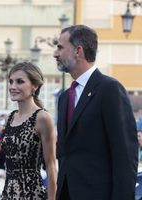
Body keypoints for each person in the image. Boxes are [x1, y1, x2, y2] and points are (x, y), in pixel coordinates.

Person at [53, 25, 138, 200]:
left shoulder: (109, 89)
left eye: (60, 47)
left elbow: (124, 154)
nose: (55, 54)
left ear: (78, 50)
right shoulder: (64, 98)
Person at [1, 62, 57, 200]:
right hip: (8, 195)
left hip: (32, 195)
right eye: (11, 81)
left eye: (19, 82)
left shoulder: (42, 117)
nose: (13, 87)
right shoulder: (10, 117)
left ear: (35, 86)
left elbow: (51, 166)